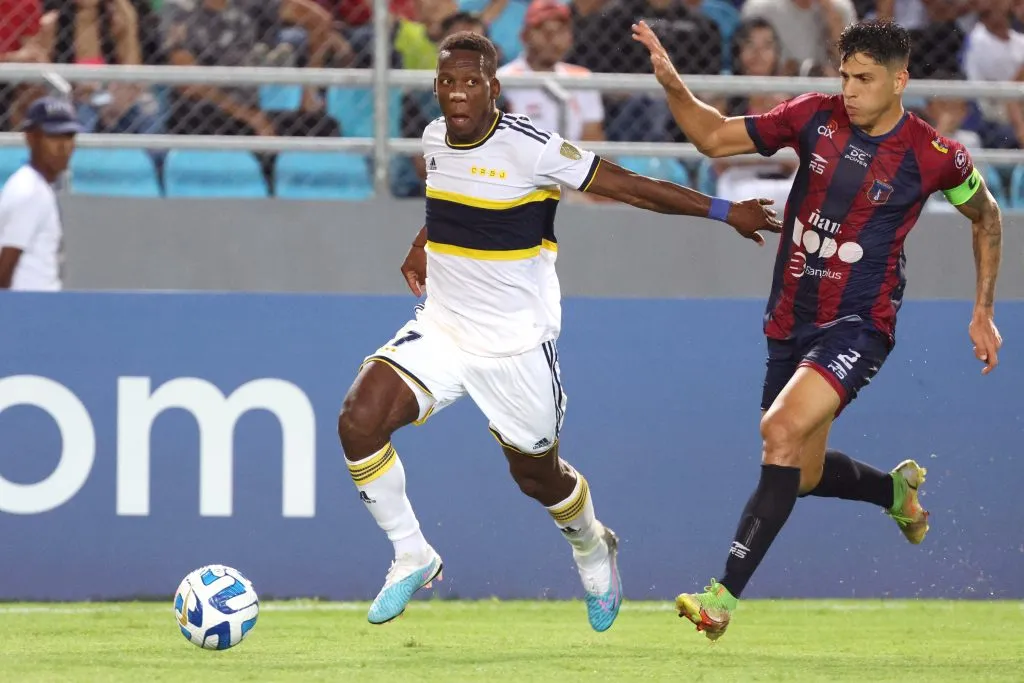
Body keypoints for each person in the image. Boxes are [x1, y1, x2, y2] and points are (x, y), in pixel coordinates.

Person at [336, 31, 782, 632]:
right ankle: (412, 552)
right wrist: (422, 244)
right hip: (443, 327)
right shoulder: (435, 137)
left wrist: (727, 212)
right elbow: (448, 201)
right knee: (358, 420)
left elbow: (630, 186)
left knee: (537, 477)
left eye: (471, 82)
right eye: (447, 82)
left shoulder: (534, 148)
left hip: (516, 344)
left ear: (494, 88)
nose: (458, 93)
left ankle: (593, 547)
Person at [632, 18, 1004, 640]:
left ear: (900, 81)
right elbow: (712, 137)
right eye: (845, 76)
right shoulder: (813, 116)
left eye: (865, 79)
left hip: (860, 324)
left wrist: (983, 310)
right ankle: (894, 493)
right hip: (789, 319)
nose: (850, 90)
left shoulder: (935, 155)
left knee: (778, 430)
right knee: (799, 471)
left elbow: (987, 216)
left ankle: (721, 599)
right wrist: (672, 82)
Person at [0, 96, 82, 291]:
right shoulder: (30, 191)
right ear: (31, 138)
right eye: (53, 136)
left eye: (69, 136)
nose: (63, 146)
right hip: (29, 304)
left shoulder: (34, 186)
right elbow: (5, 266)